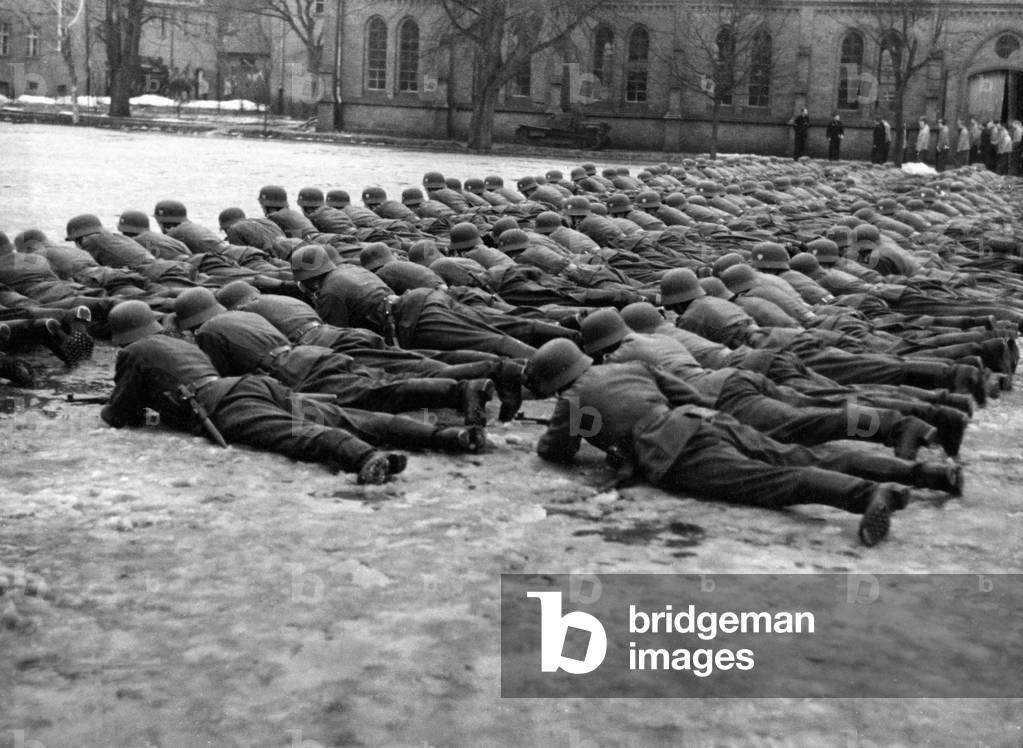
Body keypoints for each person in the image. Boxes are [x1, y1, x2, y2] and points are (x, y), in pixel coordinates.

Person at [527, 339, 916, 547]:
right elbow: (686, 395)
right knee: (795, 453)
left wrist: (591, 428)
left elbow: (557, 450)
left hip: (677, 451)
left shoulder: (572, 402)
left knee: (771, 482)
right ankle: (918, 474)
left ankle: (868, 495)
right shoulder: (630, 366)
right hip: (706, 421)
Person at [100, 301, 485, 485]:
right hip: (254, 386)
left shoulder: (134, 352)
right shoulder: (179, 342)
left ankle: (364, 457)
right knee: (346, 415)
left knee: (297, 434)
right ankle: (448, 437)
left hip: (223, 403)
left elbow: (119, 415)